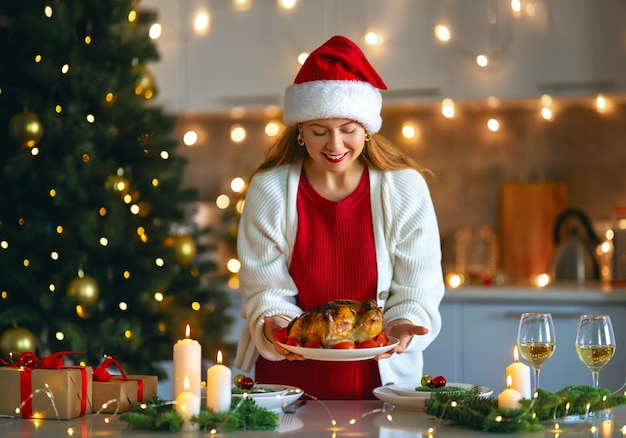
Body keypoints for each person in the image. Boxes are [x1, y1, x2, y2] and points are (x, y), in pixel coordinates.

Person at [234, 35, 444, 400]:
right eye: (319, 131)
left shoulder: (404, 188)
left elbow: (418, 286)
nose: (334, 145)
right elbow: (266, 290)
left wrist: (403, 322)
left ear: (367, 128)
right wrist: (275, 325)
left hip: (381, 388)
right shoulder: (269, 191)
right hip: (288, 389)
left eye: (348, 130)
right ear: (300, 130)